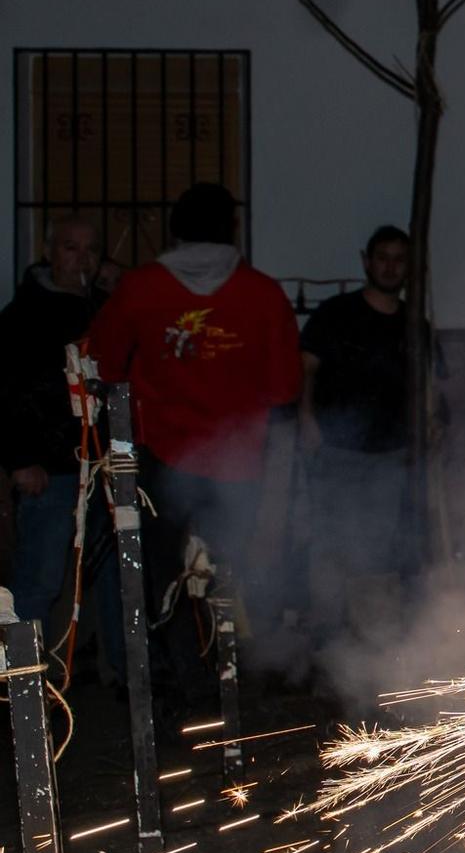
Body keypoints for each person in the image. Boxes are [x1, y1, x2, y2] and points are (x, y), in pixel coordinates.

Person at [86, 183, 300, 697]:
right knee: (236, 571)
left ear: (175, 229)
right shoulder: (263, 294)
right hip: (242, 465)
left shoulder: (140, 289)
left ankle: (182, 677)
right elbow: (285, 391)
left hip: (164, 462)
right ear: (231, 228)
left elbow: (101, 366)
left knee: (165, 578)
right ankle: (241, 674)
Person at [0, 216, 115, 647]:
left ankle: (125, 680)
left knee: (117, 580)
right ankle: (26, 688)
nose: (81, 258)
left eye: (90, 249)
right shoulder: (21, 317)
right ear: (51, 252)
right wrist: (20, 460)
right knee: (39, 582)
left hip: (105, 466)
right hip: (49, 471)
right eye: (71, 247)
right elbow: (5, 394)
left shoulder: (105, 310)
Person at [299, 226, 419, 634]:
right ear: (366, 261)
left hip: (391, 456)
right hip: (338, 453)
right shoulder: (336, 315)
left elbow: (432, 391)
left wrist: (433, 428)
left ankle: (370, 647)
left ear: (409, 266)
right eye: (382, 257)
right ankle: (327, 641)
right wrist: (307, 421)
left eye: (399, 259)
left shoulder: (414, 324)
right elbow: (305, 371)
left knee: (379, 550)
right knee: (331, 546)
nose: (390, 266)